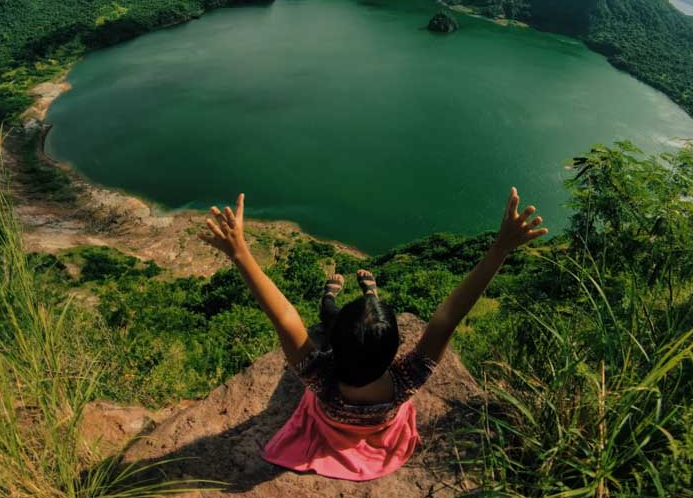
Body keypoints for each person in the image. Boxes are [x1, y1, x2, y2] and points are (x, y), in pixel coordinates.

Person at [198, 187, 547, 481]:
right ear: (398, 347)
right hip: (383, 425)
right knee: (358, 318)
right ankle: (371, 295)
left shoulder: (321, 378)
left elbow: (286, 318)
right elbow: (447, 319)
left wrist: (239, 252)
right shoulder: (406, 379)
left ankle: (332, 298)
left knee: (331, 314)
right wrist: (501, 248)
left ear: (331, 346)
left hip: (329, 416)